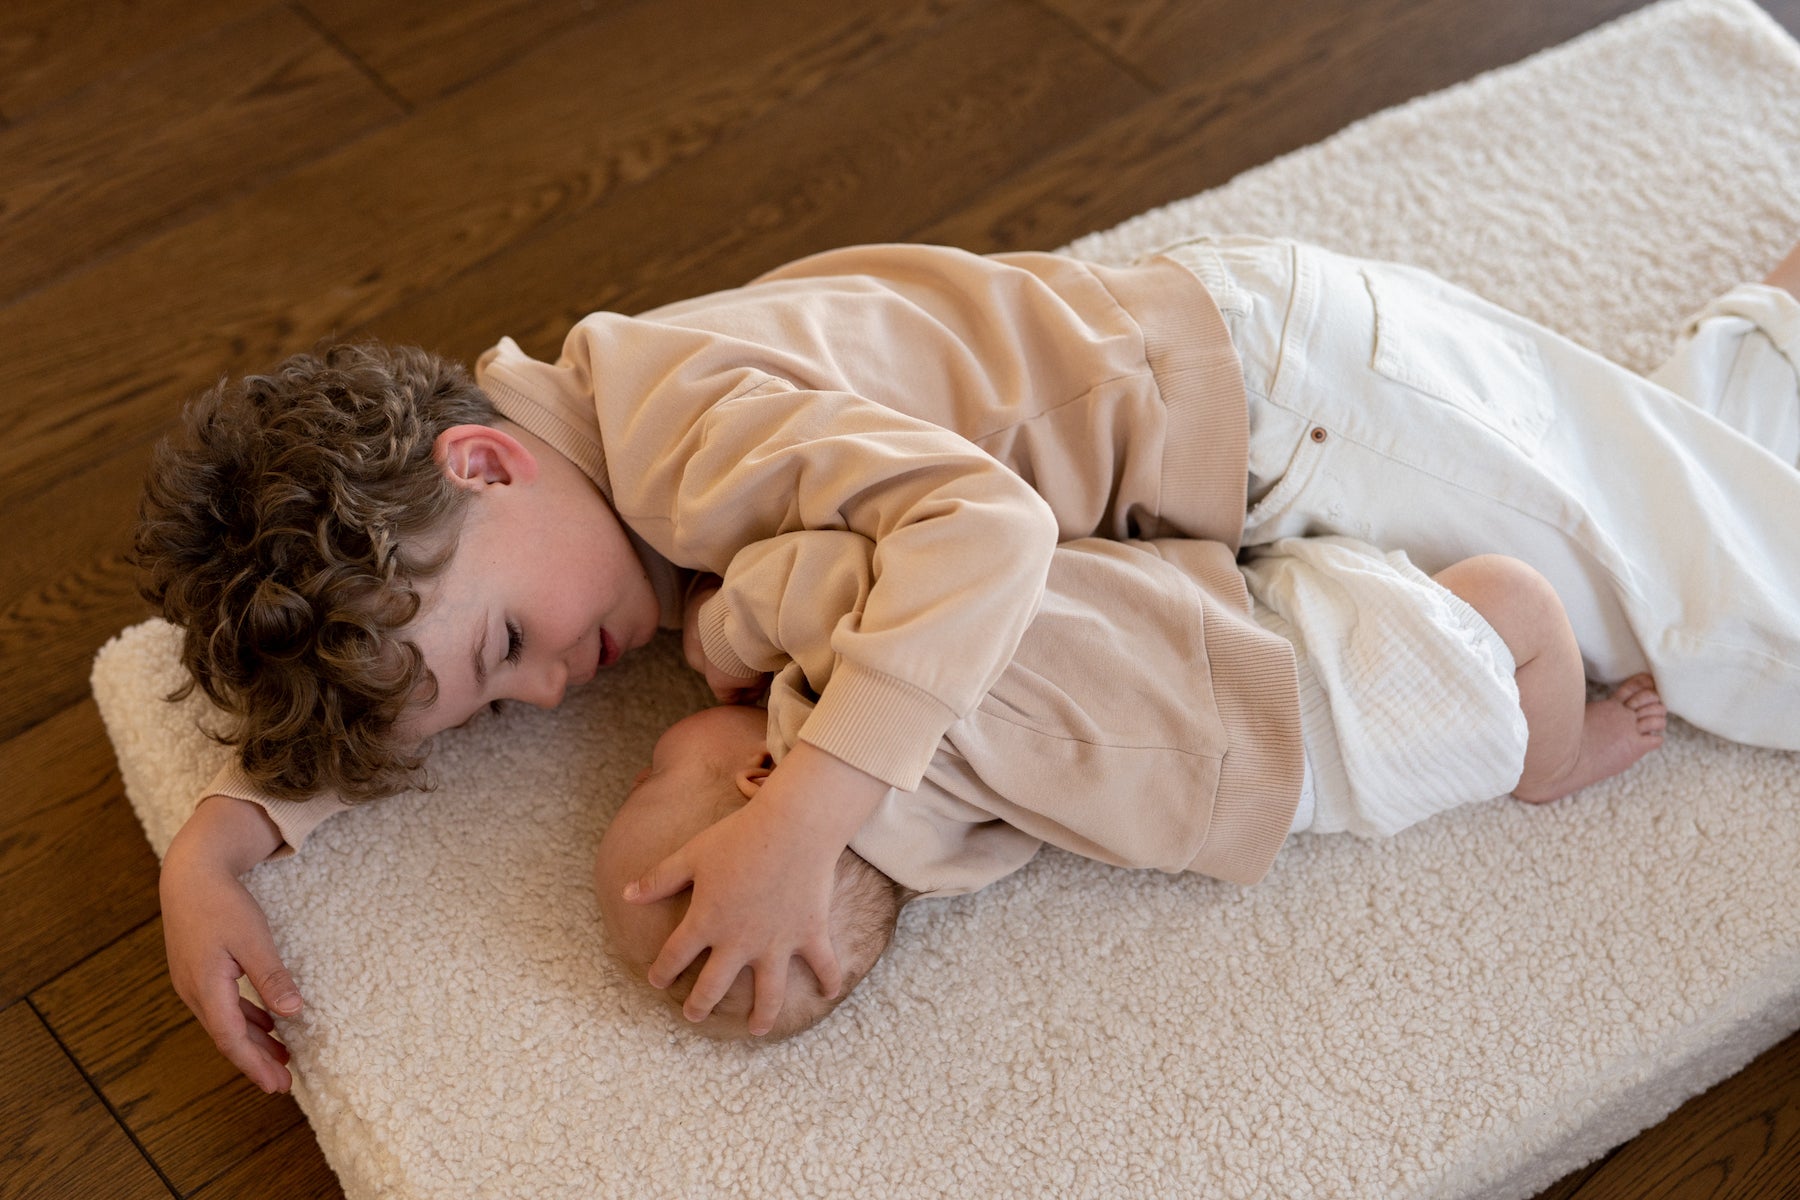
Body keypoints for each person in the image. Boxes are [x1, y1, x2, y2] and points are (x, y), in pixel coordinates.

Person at [137, 233, 1800, 1091]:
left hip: (1310, 408)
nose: (550, 692)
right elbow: (399, 649)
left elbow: (982, 534)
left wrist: (807, 819)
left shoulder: (681, 428)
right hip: (1260, 427)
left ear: (487, 465)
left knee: (1738, 626)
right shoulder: (587, 466)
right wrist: (231, 838)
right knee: (1666, 496)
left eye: (509, 649)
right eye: (501, 701)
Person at [594, 531, 1668, 1040]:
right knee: (1510, 597)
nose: (645, 755)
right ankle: (1558, 759)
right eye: (650, 773)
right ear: (759, 773)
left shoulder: (941, 852)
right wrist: (725, 618)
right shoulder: (855, 718)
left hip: (1304, 788)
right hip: (1306, 701)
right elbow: (873, 575)